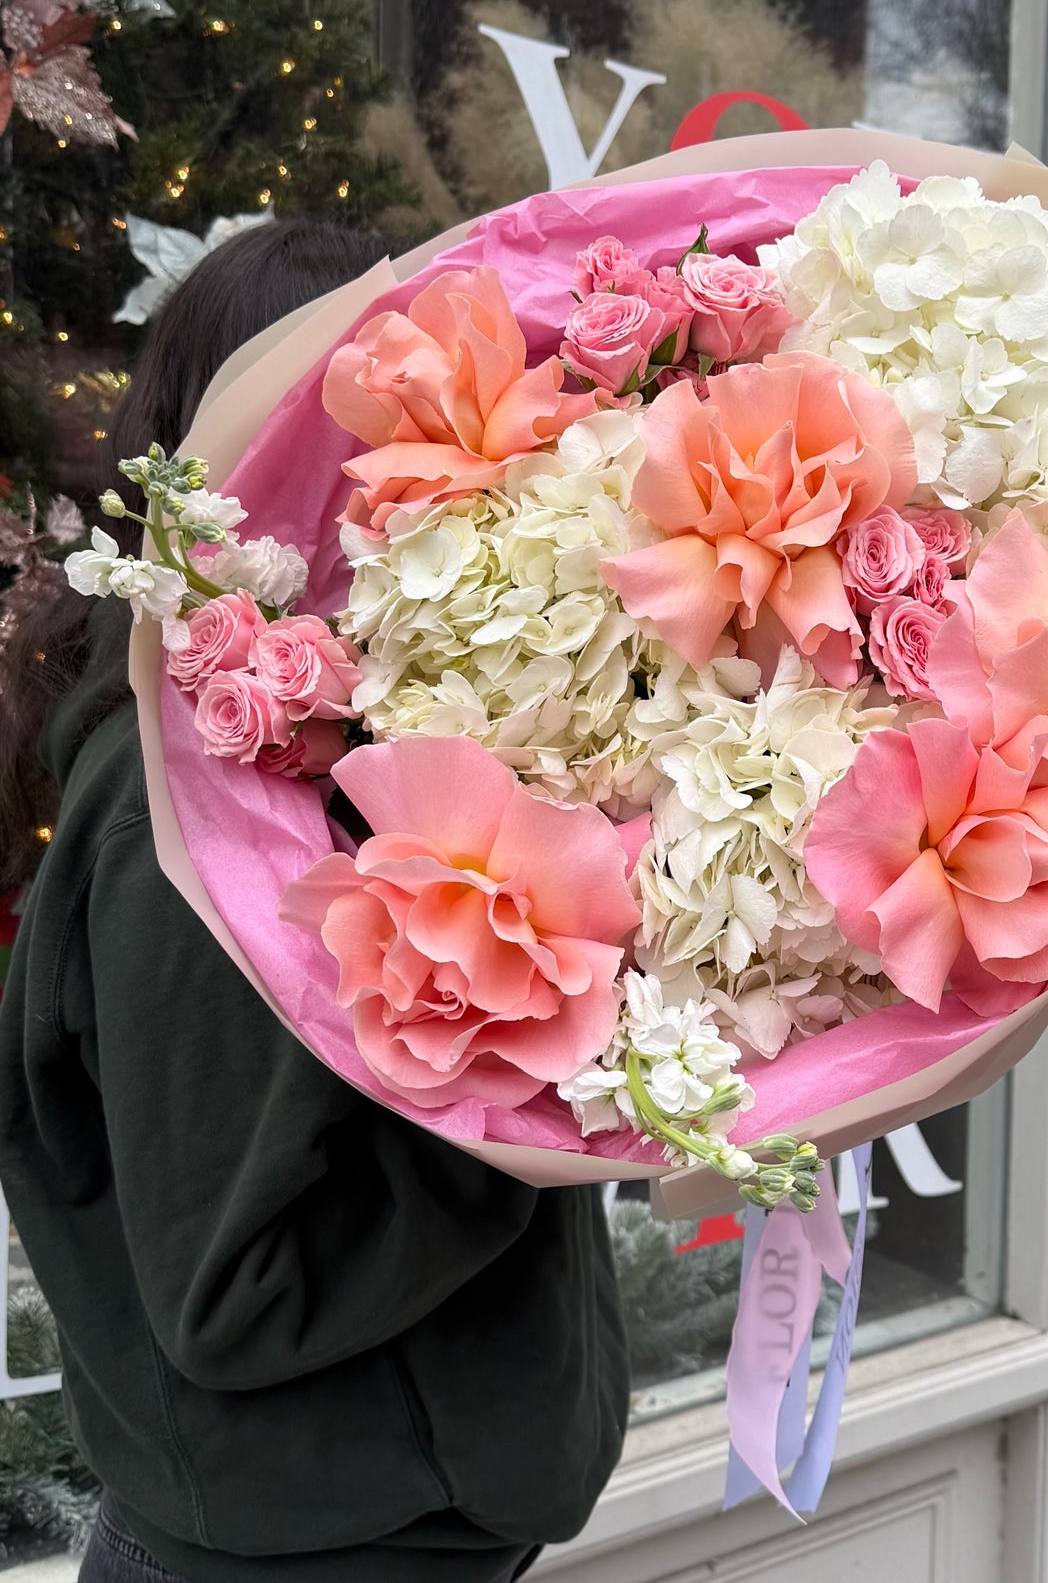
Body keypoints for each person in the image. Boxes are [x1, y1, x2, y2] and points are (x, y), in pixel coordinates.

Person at [0, 221, 629, 1583]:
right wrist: (535, 1129)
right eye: (390, 420)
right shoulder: (166, 816)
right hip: (306, 1546)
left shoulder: (367, 738)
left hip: (392, 1519)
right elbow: (235, 1291)